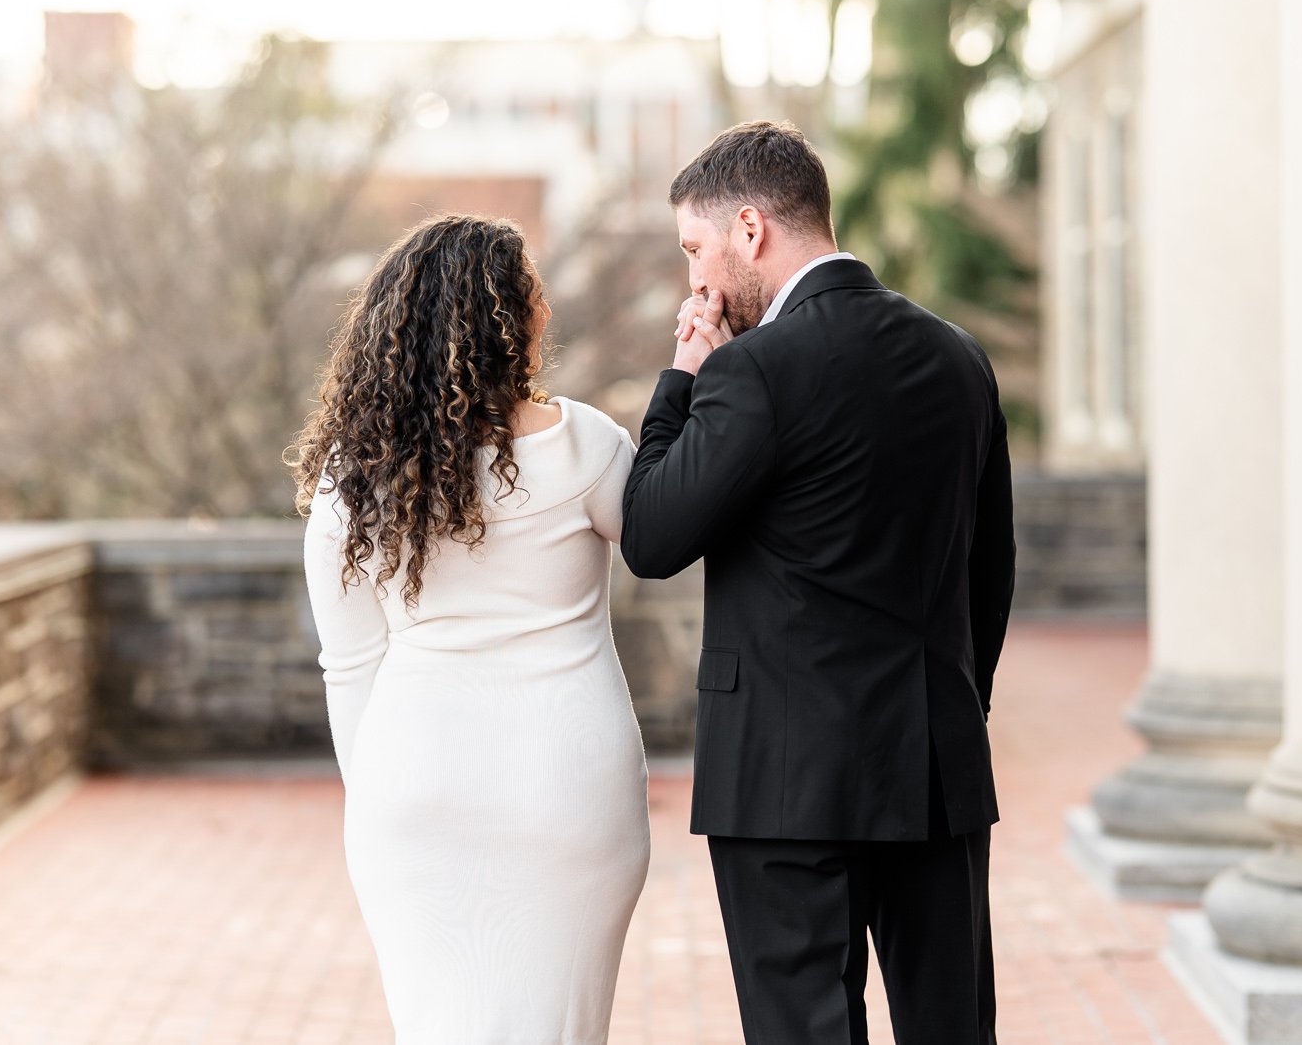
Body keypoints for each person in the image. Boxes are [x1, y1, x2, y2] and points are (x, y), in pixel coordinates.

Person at [622, 121, 1015, 1045]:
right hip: (935, 769)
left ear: (750, 228)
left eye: (695, 248)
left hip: (783, 785)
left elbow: (650, 534)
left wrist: (683, 378)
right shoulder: (960, 358)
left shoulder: (752, 371)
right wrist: (953, 708)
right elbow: (991, 568)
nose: (695, 280)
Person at [291, 214, 649, 1045]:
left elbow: (350, 670)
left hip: (413, 789)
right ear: (504, 320)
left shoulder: (351, 484)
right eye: (533, 293)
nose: (547, 310)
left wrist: (380, 803)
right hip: (568, 785)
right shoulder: (586, 446)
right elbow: (665, 532)